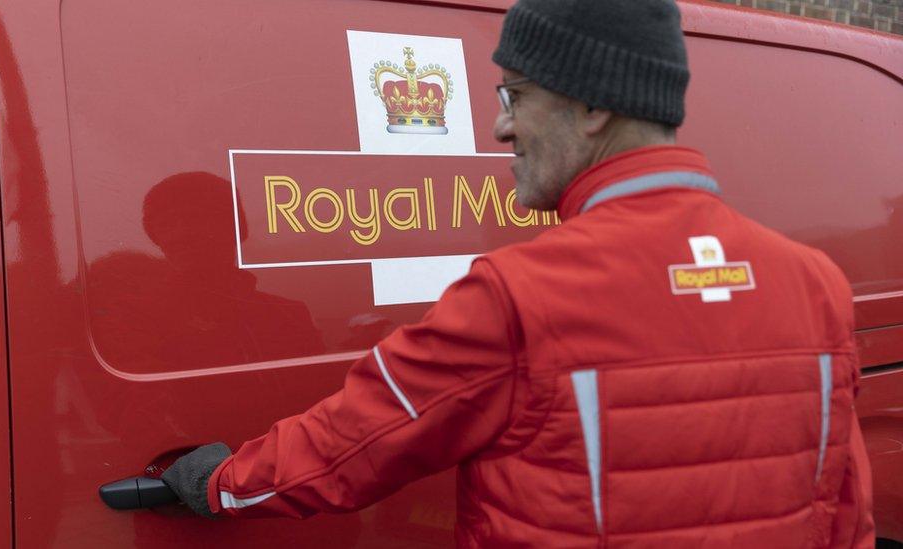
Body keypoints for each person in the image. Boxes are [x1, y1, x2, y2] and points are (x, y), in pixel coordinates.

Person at [162, 0, 875, 546]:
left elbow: (344, 448)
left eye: (516, 96)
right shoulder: (814, 281)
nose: (502, 128)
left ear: (593, 105)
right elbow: (848, 513)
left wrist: (219, 483)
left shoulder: (520, 294)